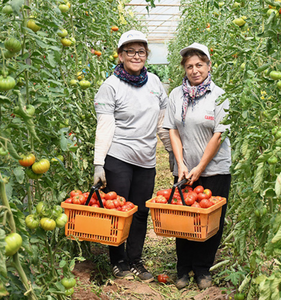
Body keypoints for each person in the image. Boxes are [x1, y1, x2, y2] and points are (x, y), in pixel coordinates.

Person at [93, 30, 171, 283]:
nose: (136, 56)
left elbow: (162, 123)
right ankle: (118, 261)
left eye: (141, 51)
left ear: (146, 55)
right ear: (120, 55)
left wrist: (171, 152)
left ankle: (135, 260)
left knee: (139, 212)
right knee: (118, 211)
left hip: (146, 159)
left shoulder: (155, 83)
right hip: (118, 157)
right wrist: (98, 164)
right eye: (130, 51)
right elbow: (105, 126)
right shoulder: (110, 86)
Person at [163, 42, 231, 290]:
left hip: (214, 169)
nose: (194, 70)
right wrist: (180, 164)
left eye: (199, 65)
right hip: (183, 169)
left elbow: (218, 134)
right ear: (184, 68)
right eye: (189, 66)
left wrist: (200, 167)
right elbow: (173, 130)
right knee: (182, 218)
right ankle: (183, 268)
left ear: (208, 66)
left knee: (210, 219)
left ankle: (202, 269)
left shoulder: (219, 95)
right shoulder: (175, 95)